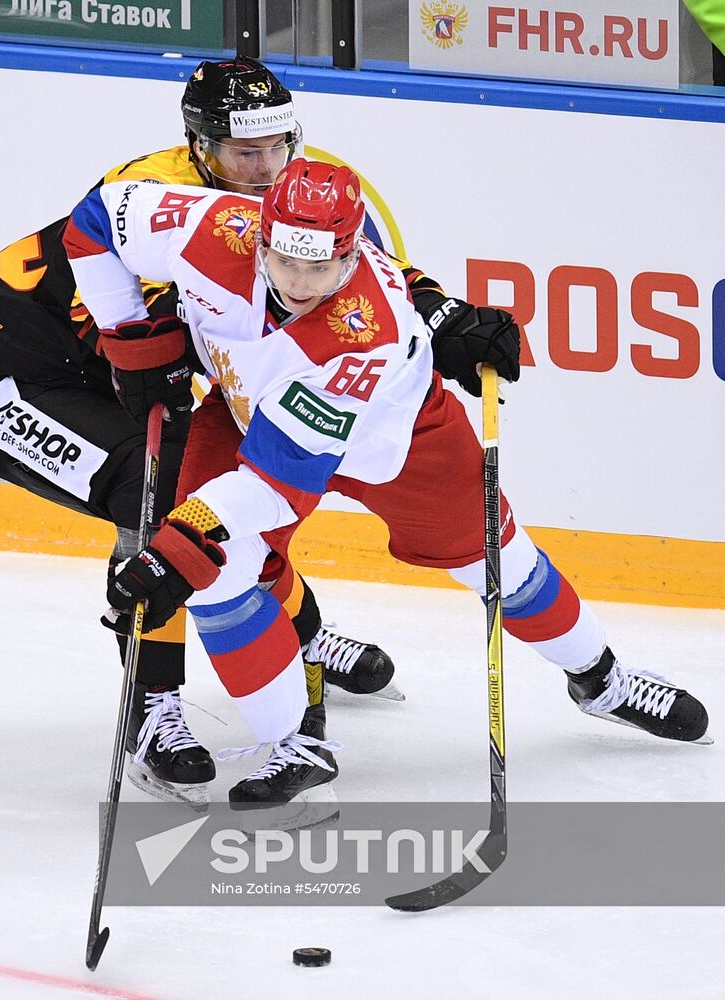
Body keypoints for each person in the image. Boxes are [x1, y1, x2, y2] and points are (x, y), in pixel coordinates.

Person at [63, 158, 710, 807]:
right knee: (219, 571)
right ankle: (294, 742)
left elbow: (275, 485)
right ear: (258, 233)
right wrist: (126, 333)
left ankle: (600, 680)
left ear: (352, 252)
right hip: (241, 414)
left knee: (500, 563)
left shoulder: (366, 329)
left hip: (394, 443)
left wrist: (184, 536)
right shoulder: (212, 228)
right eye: (285, 259)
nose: (298, 281)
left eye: (320, 267)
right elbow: (92, 224)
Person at [0, 56, 515, 804]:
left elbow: (367, 275)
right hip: (28, 373)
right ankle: (154, 703)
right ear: (198, 145)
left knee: (215, 503)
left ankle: (294, 634)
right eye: (239, 153)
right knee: (158, 500)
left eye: (276, 146)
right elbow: (115, 283)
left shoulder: (305, 189)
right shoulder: (161, 191)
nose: (262, 168)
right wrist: (140, 349)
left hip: (137, 363)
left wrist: (444, 317)